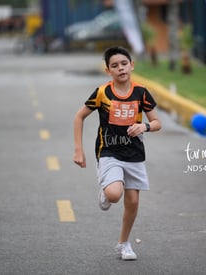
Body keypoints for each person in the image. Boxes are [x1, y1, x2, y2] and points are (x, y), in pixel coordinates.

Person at [73, 46, 161, 261]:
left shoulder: (141, 92)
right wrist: (79, 150)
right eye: (115, 66)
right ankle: (106, 192)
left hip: (134, 154)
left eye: (124, 64)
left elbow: (157, 122)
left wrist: (144, 127)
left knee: (132, 203)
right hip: (109, 151)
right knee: (114, 194)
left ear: (132, 65)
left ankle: (124, 243)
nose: (120, 68)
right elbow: (79, 117)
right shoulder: (103, 92)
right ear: (108, 70)